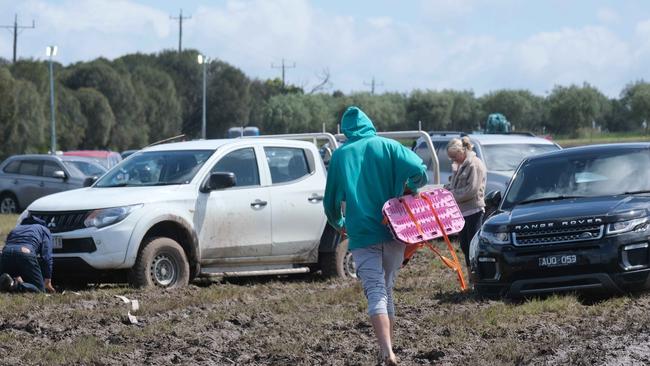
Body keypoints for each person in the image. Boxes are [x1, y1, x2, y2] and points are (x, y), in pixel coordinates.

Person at [324, 106, 428, 366]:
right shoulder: (389, 146)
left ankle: (387, 351)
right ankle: (386, 352)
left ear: (346, 130)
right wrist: (411, 186)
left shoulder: (340, 155)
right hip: (395, 229)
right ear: (369, 124)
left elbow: (330, 201)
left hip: (361, 232)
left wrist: (339, 223)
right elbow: (419, 169)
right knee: (387, 290)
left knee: (375, 291)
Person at [444, 137, 487, 268]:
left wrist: (450, 195)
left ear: (461, 151)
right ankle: (471, 276)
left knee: (473, 246)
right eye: (451, 158)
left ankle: (477, 275)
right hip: (462, 212)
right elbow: (456, 186)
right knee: (464, 245)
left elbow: (471, 190)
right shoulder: (460, 166)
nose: (453, 160)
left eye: (454, 157)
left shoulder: (475, 165)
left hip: (473, 211)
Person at [0, 215, 55, 293]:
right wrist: (47, 281)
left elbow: (10, 248)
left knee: (5, 283)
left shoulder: (16, 229)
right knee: (39, 290)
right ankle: (15, 285)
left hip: (6, 253)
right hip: (25, 252)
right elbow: (47, 257)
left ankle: (8, 282)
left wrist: (17, 275)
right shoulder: (44, 229)